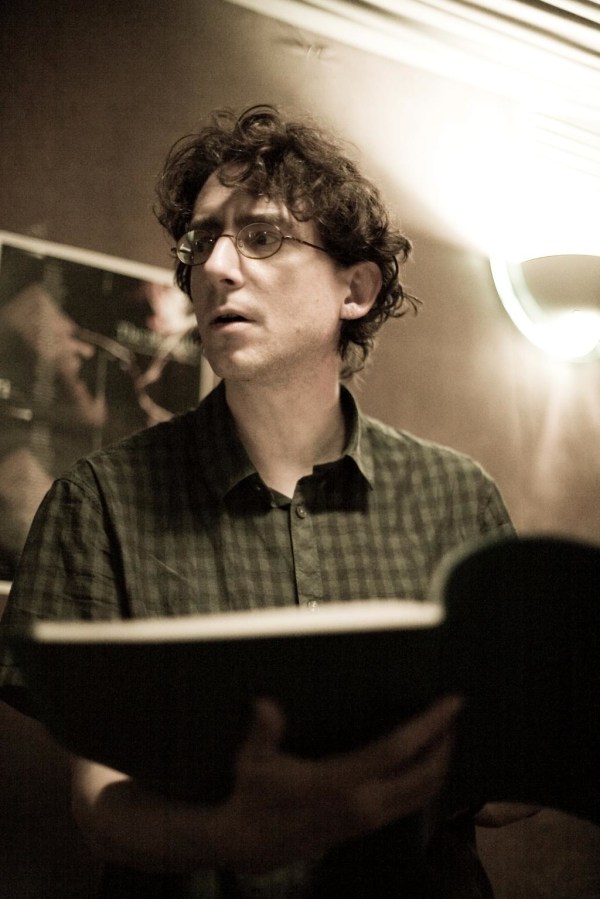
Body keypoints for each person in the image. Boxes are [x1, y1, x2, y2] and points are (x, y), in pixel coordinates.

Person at [0, 106, 519, 898]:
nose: (215, 266)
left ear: (355, 288)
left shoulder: (456, 497)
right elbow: (99, 805)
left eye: (263, 236)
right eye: (200, 241)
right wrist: (235, 835)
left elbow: (513, 789)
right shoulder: (94, 502)